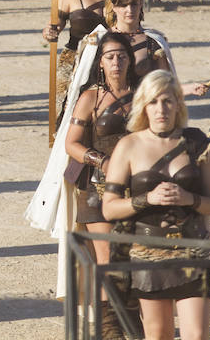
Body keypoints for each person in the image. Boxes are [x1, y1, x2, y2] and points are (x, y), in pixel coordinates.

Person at [102, 70, 210, 340]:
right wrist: (147, 199)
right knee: (158, 336)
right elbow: (109, 208)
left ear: (178, 103)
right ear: (143, 106)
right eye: (153, 102)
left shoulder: (198, 143)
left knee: (197, 335)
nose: (161, 109)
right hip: (147, 255)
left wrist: (189, 199)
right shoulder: (128, 145)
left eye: (168, 101)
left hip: (192, 251)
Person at [62, 31, 138, 338]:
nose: (116, 61)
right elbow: (71, 144)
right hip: (98, 189)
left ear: (130, 60)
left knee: (135, 258)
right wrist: (103, 161)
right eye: (110, 56)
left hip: (138, 188)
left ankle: (133, 323)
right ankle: (110, 330)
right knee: (108, 260)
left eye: (121, 55)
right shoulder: (90, 98)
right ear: (101, 63)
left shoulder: (144, 94)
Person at [43, 0, 120, 109]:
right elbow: (54, 26)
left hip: (114, 62)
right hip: (75, 63)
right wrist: (49, 32)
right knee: (66, 113)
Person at [106, 0, 208, 97]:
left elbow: (166, 83)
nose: (130, 10)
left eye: (134, 4)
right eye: (123, 5)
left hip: (141, 105)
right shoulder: (101, 40)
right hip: (109, 106)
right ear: (114, 7)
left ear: (140, 4)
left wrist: (189, 88)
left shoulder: (153, 41)